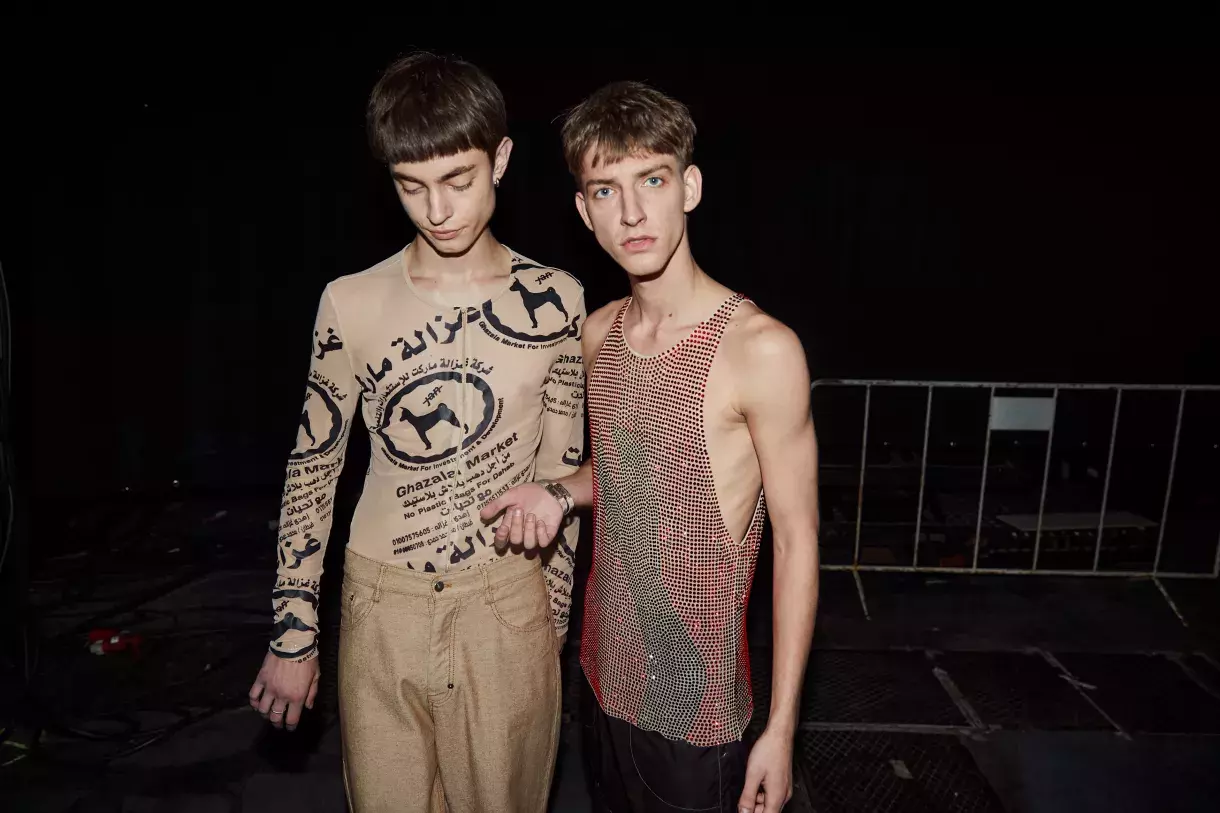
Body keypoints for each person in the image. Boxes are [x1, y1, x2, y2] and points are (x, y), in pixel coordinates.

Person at [247, 51, 586, 813]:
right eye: (411, 185)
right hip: (381, 606)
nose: (437, 210)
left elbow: (562, 471)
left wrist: (548, 630)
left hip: (507, 604)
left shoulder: (557, 299)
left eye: (458, 179)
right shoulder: (350, 301)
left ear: (501, 158)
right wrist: (294, 632)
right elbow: (312, 470)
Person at [481, 80, 820, 812]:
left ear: (689, 187)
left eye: (652, 181)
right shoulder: (597, 333)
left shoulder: (760, 349)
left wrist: (782, 729)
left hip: (696, 718)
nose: (631, 213)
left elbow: (798, 542)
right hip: (602, 684)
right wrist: (558, 491)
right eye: (606, 191)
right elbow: (630, 472)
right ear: (584, 211)